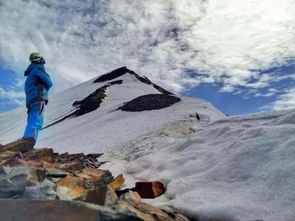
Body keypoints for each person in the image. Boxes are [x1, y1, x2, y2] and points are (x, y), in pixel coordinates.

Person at [3, 53, 53, 152]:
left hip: (31, 100)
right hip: (38, 98)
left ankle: (26, 139)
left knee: (32, 119)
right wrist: (44, 90)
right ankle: (29, 142)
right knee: (37, 120)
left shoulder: (30, 72)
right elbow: (49, 82)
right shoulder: (38, 68)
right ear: (40, 59)